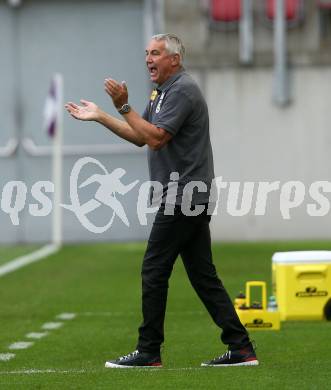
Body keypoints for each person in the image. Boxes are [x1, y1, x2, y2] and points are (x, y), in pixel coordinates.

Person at [65, 33, 258, 368]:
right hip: (187, 195)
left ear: (175, 59)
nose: (147, 59)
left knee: (154, 270)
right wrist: (102, 116)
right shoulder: (163, 92)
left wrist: (124, 106)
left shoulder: (182, 90)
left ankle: (149, 350)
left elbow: (155, 138)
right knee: (203, 275)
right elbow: (141, 136)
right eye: (146, 53)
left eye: (155, 53)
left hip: (184, 195)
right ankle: (240, 348)